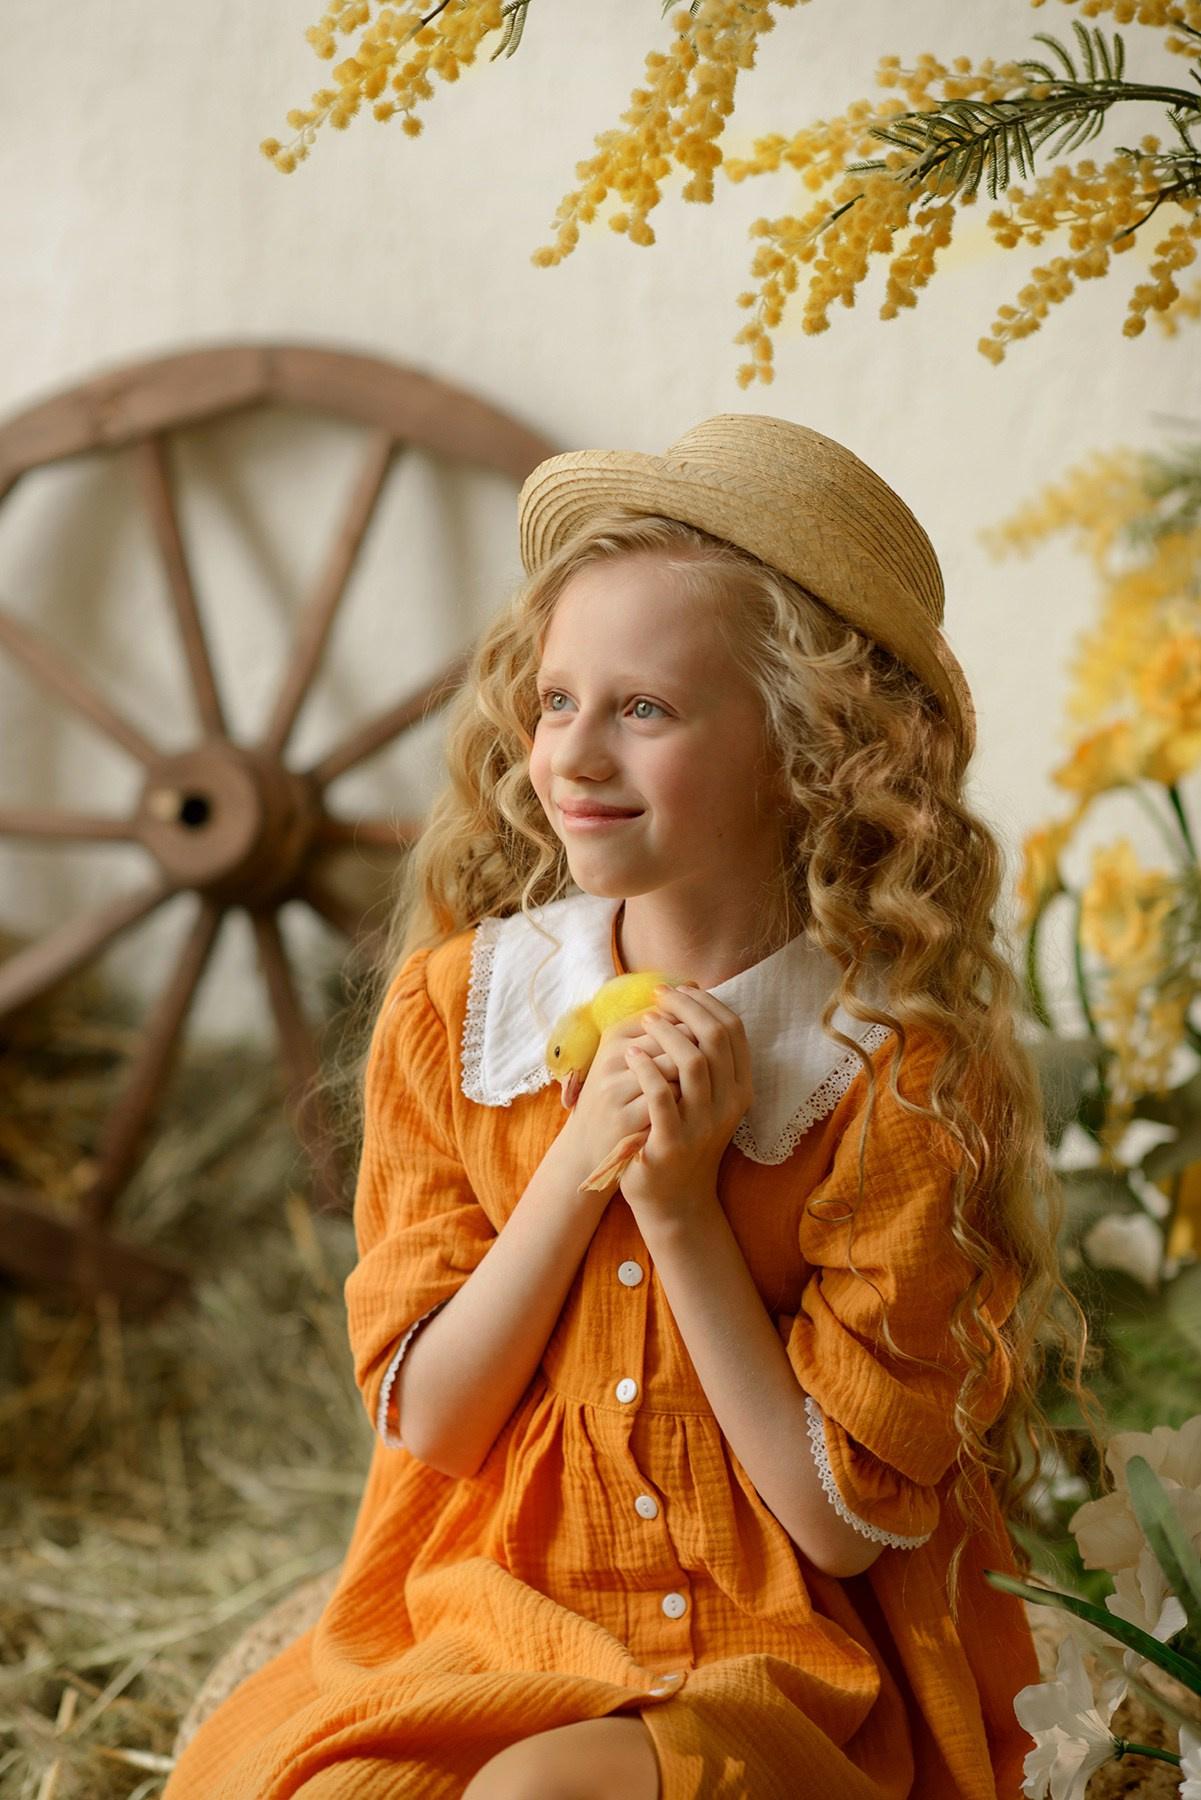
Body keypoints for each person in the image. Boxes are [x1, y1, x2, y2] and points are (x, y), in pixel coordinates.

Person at [166, 414, 1070, 1800]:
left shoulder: (889, 1074)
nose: (576, 753)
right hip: (489, 1625)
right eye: (555, 702)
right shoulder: (460, 1017)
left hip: (764, 1664)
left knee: (538, 1797)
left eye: (642, 708)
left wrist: (681, 1209)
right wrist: (582, 1160)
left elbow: (835, 1532)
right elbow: (437, 1425)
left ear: (806, 748)